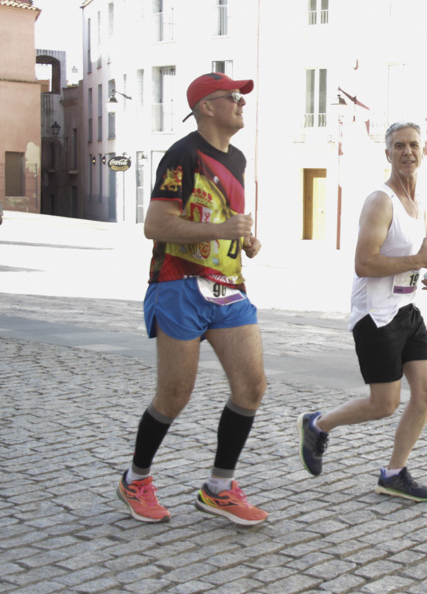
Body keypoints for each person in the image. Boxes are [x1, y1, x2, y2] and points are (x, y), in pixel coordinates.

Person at [116, 73, 268, 526]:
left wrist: (245, 240)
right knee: (174, 394)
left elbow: (221, 217)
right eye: (231, 97)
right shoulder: (182, 155)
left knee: (252, 387)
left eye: (241, 97)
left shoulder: (236, 158)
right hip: (177, 284)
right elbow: (157, 225)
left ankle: (219, 488)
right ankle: (135, 479)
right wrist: (221, 231)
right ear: (206, 106)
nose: (241, 103)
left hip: (227, 287)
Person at [297, 122, 427, 502]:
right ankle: (317, 424)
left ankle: (394, 474)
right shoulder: (381, 201)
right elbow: (365, 263)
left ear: (424, 151)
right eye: (399, 146)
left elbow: (423, 255)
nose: (408, 152)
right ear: (388, 154)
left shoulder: (419, 203)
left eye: (414, 145)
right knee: (384, 404)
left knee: (426, 393)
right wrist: (418, 259)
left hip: (406, 309)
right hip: (375, 316)